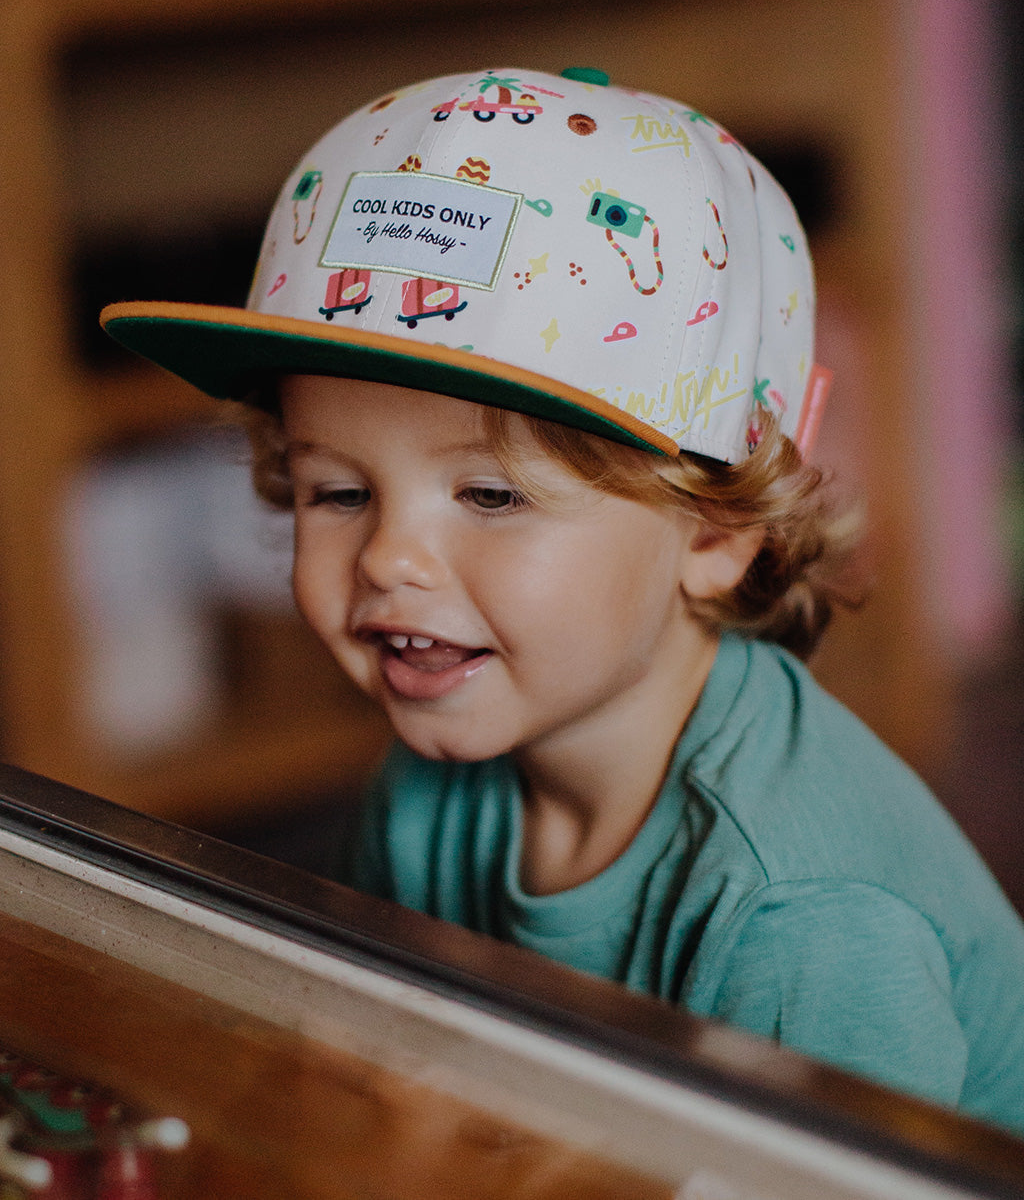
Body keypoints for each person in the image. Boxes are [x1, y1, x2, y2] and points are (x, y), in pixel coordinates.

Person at [101, 66, 1024, 1133]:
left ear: (715, 532)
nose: (390, 557)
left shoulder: (801, 917)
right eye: (339, 491)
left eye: (490, 493)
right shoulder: (433, 783)